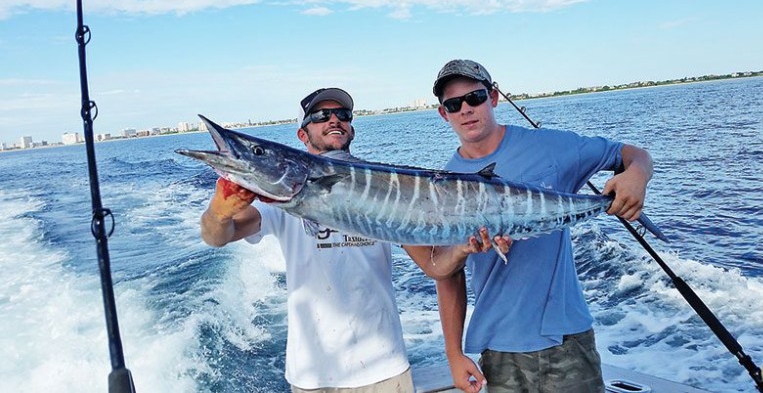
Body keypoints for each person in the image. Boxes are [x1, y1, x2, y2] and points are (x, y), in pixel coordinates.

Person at [406, 59, 654, 393]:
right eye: (454, 104)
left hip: (566, 338)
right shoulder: (442, 184)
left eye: (475, 98)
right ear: (443, 114)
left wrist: (637, 175)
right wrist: (453, 352)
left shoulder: (550, 147)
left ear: (493, 97)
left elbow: (631, 154)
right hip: (497, 347)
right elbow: (446, 275)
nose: (466, 109)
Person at [199, 87, 414, 393]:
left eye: (343, 115)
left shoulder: (384, 186)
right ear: (302, 135)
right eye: (321, 116)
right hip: (313, 375)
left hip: (385, 367)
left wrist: (462, 249)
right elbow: (217, 236)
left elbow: (434, 261)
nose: (334, 120)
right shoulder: (278, 199)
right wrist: (219, 212)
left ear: (351, 127)